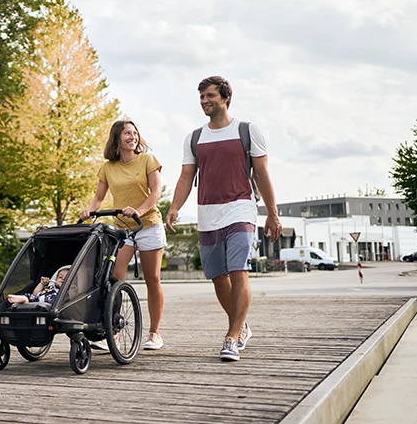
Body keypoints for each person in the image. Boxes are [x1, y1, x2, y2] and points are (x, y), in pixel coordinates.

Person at [165, 76, 281, 362]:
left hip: (241, 209)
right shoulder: (194, 138)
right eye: (202, 97)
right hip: (208, 213)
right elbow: (186, 176)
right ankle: (241, 326)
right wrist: (174, 207)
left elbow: (262, 174)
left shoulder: (247, 130)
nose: (205, 101)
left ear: (226, 98)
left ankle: (231, 337)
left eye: (210, 96)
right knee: (218, 277)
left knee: (238, 270)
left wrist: (272, 214)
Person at [79, 119, 166, 351]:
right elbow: (98, 197)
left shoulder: (148, 160)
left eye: (135, 133)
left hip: (148, 225)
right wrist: (89, 209)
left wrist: (139, 210)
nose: (132, 137)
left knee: (152, 279)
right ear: (117, 138)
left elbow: (156, 192)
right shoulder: (108, 167)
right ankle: (113, 333)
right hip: (123, 230)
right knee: (113, 278)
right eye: (127, 133)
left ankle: (155, 333)